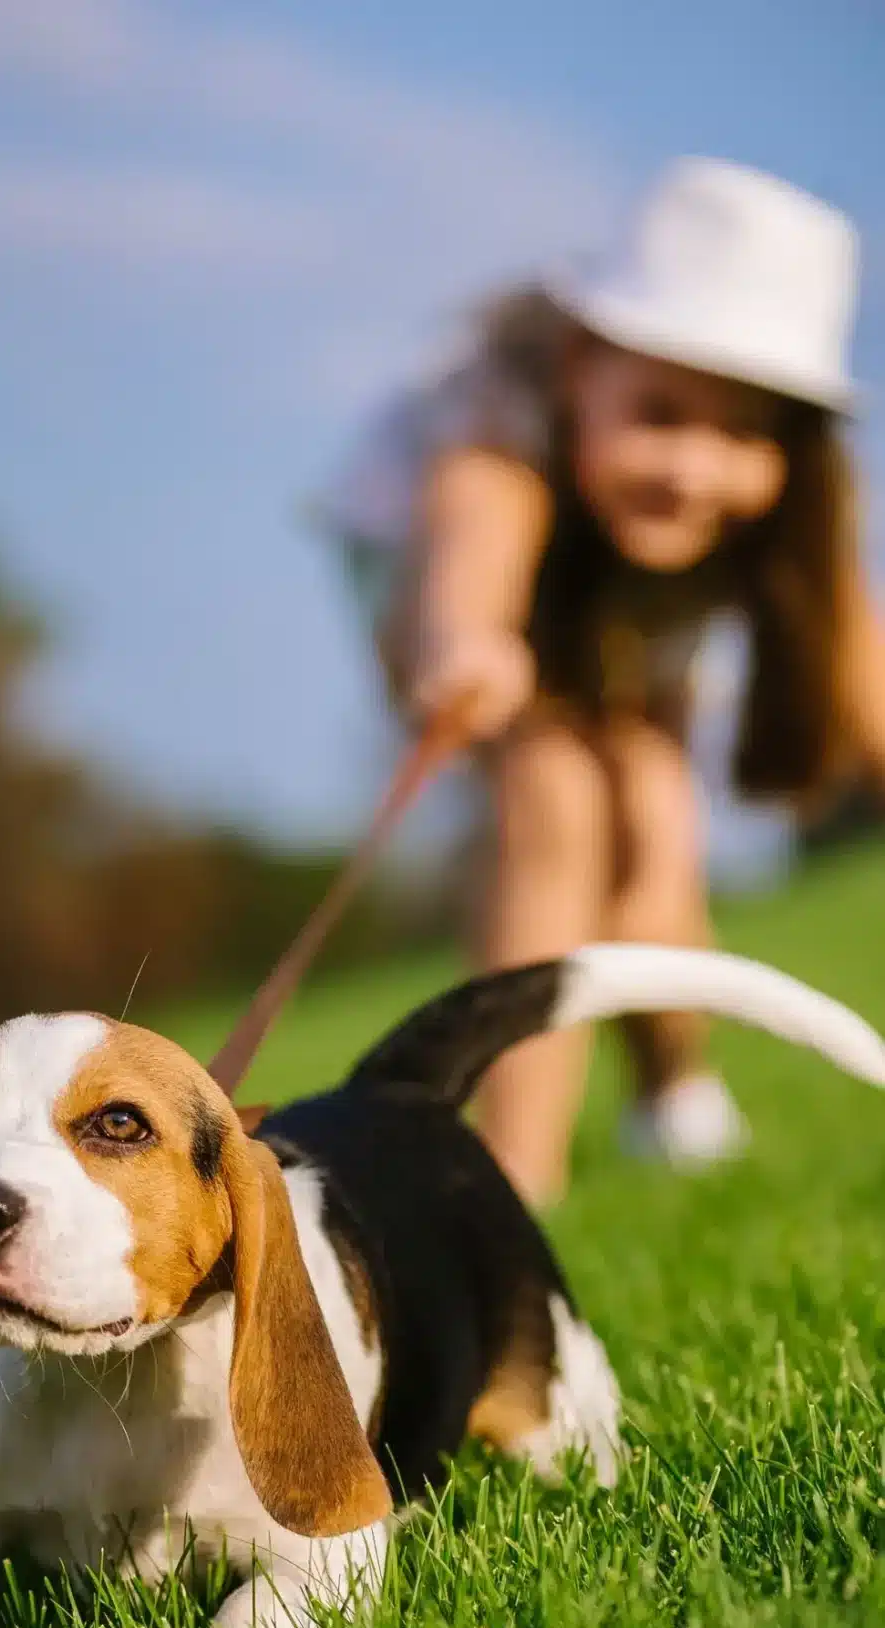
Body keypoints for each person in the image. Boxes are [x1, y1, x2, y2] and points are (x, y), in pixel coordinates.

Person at [320, 157, 885, 1206]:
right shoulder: (492, 419)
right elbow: (467, 558)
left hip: (623, 608)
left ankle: (672, 1094)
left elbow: (869, 698)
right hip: (449, 600)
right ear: (580, 365)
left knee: (652, 804)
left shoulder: (796, 513)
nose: (693, 467)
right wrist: (467, 645)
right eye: (659, 412)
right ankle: (510, 1181)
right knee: (555, 794)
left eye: (742, 433)